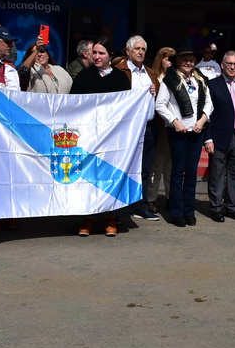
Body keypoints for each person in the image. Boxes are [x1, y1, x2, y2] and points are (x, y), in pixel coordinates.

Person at [70, 37, 131, 237]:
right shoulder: (83, 76)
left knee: (109, 176)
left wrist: (148, 92)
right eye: (94, 52)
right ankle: (87, 218)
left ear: (110, 55)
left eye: (101, 53)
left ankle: (110, 217)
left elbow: (128, 106)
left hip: (113, 137)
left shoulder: (121, 78)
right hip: (88, 136)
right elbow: (72, 105)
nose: (96, 56)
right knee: (88, 177)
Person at [156, 50, 212, 227]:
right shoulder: (169, 80)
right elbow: (160, 105)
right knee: (178, 172)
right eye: (185, 59)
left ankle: (189, 211)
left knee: (192, 174)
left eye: (191, 60)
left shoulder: (200, 79)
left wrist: (202, 120)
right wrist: (174, 121)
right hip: (178, 132)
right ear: (178, 62)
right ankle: (176, 212)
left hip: (196, 131)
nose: (188, 62)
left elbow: (209, 103)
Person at [114, 35, 161, 221]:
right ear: (128, 51)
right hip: (127, 128)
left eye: (143, 49)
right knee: (125, 167)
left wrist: (154, 91)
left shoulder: (150, 73)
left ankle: (140, 205)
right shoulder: (120, 71)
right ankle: (121, 208)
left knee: (145, 169)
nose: (140, 52)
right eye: (137, 49)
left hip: (148, 127)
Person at [204, 51, 235, 222]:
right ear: (222, 64)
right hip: (219, 136)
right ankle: (216, 208)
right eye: (229, 63)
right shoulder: (212, 84)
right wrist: (208, 138)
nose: (232, 67)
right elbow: (207, 114)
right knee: (217, 175)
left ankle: (231, 207)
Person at [146, 47, 175, 210]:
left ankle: (171, 197)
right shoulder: (154, 77)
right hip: (159, 125)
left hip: (175, 126)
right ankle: (151, 198)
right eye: (167, 58)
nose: (170, 62)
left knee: (171, 165)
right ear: (160, 60)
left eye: (172, 59)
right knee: (157, 165)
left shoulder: (177, 76)